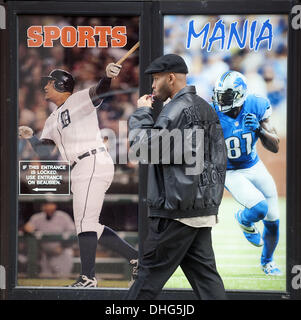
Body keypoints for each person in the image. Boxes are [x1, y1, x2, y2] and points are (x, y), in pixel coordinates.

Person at [18, 63, 138, 287]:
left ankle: (88, 278)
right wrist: (31, 137)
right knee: (88, 224)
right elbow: (45, 152)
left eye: (49, 83)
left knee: (85, 223)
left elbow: (100, 91)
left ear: (61, 84)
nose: (45, 87)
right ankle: (136, 258)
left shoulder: (78, 99)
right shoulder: (52, 119)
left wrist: (107, 76)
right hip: (81, 167)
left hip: (92, 159)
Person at [125, 54, 227, 300]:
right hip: (199, 209)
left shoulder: (175, 110)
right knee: (207, 280)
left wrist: (141, 114)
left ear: (170, 78)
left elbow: (143, 149)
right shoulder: (205, 106)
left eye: (156, 78)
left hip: (176, 210)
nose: (152, 85)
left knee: (147, 277)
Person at [212, 70, 281, 275]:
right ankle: (244, 219)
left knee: (273, 219)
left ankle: (268, 262)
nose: (221, 100)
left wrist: (260, 129)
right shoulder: (211, 113)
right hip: (231, 171)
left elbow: (275, 146)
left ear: (240, 94)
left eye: (227, 95)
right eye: (219, 95)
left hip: (253, 164)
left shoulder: (256, 105)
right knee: (259, 208)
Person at [23, 201, 75, 277]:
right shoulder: (37, 217)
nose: (48, 207)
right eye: (46, 204)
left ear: (55, 205)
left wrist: (63, 246)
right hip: (46, 255)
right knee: (46, 280)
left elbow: (73, 233)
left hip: (62, 254)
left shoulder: (63, 216)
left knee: (63, 279)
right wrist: (32, 231)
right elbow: (27, 228)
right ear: (43, 207)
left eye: (50, 204)